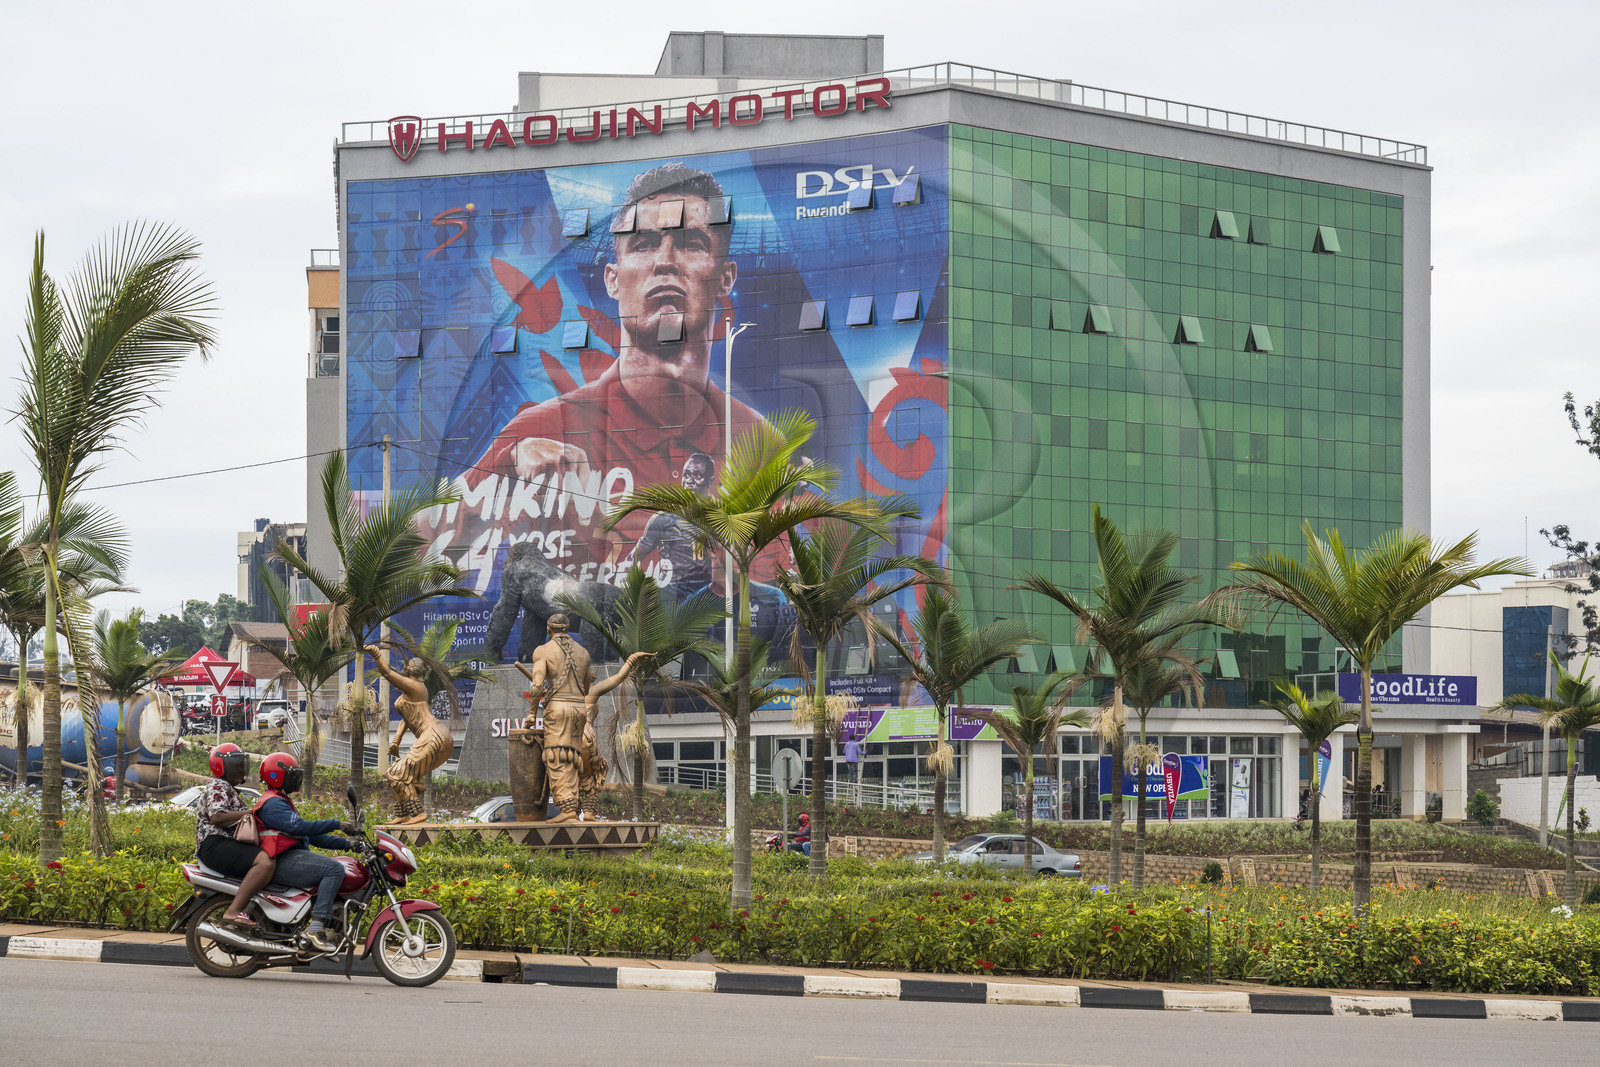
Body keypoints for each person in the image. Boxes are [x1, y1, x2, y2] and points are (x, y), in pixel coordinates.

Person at [427, 162, 784, 592]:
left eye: (690, 243)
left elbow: (813, 591)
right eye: (644, 244)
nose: (665, 262)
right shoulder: (540, 434)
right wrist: (505, 471)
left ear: (724, 277)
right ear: (613, 280)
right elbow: (411, 554)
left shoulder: (761, 445)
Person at [517, 615, 649, 822]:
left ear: (548, 629)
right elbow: (585, 689)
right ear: (568, 629)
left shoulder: (542, 651)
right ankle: (588, 811)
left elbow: (536, 686)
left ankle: (569, 809)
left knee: (558, 756)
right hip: (580, 712)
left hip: (558, 710)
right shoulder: (583, 653)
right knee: (581, 763)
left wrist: (532, 713)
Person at [252, 752, 361, 953]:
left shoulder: (280, 800)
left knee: (334, 865)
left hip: (288, 856)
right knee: (334, 869)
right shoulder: (272, 803)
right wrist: (337, 824)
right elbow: (301, 827)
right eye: (293, 774)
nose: (297, 779)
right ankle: (315, 929)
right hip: (281, 859)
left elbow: (311, 836)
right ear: (277, 776)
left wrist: (348, 844)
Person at [366, 646, 453, 826]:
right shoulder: (416, 690)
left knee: (399, 774)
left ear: (407, 670)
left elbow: (387, 672)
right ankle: (403, 813)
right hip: (437, 735)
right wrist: (396, 741)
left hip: (433, 735)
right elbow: (407, 718)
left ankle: (417, 812)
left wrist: (376, 653)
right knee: (392, 774)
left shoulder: (415, 686)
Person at [194, 743, 276, 929]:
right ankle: (233, 911)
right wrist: (254, 812)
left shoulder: (228, 788)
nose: (241, 769)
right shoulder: (218, 786)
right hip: (215, 845)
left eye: (242, 764)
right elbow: (218, 817)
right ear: (222, 768)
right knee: (265, 862)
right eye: (236, 765)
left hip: (222, 844)